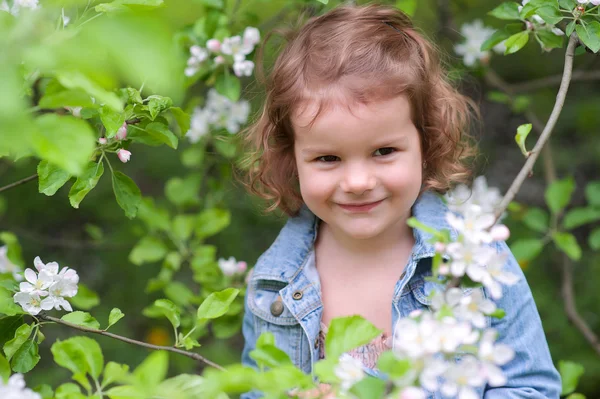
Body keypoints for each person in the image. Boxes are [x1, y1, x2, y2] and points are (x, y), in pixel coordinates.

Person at [240, 4, 561, 398]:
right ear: (293, 159)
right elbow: (255, 388)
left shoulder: (476, 260)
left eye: (384, 151)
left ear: (425, 142)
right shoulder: (274, 283)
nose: (358, 182)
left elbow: (531, 388)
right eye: (328, 158)